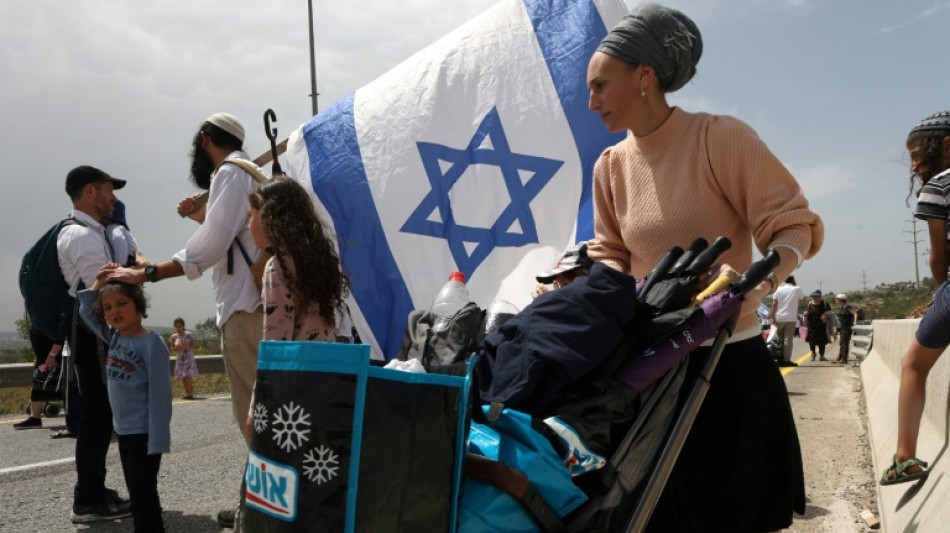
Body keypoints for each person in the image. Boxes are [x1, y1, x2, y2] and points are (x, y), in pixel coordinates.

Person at [585, 4, 823, 531]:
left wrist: (759, 283)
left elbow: (792, 227)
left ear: (644, 76)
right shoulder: (609, 167)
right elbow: (609, 255)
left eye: (600, 86)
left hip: (728, 364)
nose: (591, 101)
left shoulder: (721, 138)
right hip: (649, 371)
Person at [103, 112, 264, 528]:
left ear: (205, 139)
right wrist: (202, 218)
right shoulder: (250, 173)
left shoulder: (229, 173)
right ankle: (255, 506)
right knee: (263, 417)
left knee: (256, 420)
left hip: (245, 310)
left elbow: (208, 248)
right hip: (257, 308)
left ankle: (266, 514)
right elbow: (232, 236)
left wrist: (146, 272)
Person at [49, 166, 132, 523]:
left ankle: (95, 489)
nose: (114, 199)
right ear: (89, 191)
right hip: (92, 332)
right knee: (97, 415)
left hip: (94, 331)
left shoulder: (92, 231)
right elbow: (105, 293)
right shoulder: (81, 235)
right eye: (109, 191)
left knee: (101, 414)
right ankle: (87, 500)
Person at [242, 177, 351, 436]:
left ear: (270, 217)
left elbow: (276, 344)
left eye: (251, 216)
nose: (248, 225)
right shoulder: (319, 262)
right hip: (325, 384)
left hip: (293, 390)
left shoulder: (277, 267)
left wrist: (256, 407)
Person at [881, 111, 950, 485]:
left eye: (918, 155)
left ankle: (904, 458)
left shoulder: (938, 185)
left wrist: (942, 292)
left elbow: (938, 258)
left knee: (913, 365)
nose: (913, 165)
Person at [78, 277, 172, 533]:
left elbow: (161, 396)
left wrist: (158, 440)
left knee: (142, 494)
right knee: (137, 491)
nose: (114, 311)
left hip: (144, 433)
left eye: (122, 303)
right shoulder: (115, 337)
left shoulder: (152, 344)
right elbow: (86, 310)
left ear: (138, 304)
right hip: (124, 431)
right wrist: (99, 282)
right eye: (107, 308)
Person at [771, 276, 805, 366]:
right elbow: (803, 299)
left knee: (780, 339)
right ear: (793, 281)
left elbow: (774, 304)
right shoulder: (796, 289)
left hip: (779, 317)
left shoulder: (778, 289)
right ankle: (786, 360)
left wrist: (772, 316)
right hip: (790, 318)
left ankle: (779, 359)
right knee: (788, 339)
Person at [170, 318, 198, 399]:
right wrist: (176, 348)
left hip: (188, 356)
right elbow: (172, 347)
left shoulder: (188, 334)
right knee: (183, 376)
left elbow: (193, 344)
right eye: (177, 326)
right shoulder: (174, 337)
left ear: (183, 326)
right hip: (180, 357)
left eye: (180, 326)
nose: (178, 328)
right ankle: (187, 393)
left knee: (188, 375)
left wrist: (185, 348)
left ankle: (190, 393)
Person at [803, 290, 831, 361]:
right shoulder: (809, 304)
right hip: (811, 325)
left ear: (820, 297)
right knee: (811, 341)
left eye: (816, 297)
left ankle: (822, 355)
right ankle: (813, 353)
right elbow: (806, 311)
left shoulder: (825, 304)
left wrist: (826, 316)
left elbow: (830, 313)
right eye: (813, 296)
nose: (815, 298)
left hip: (822, 325)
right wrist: (805, 313)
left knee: (822, 341)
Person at [833, 293, 859, 365]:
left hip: (846, 328)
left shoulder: (847, 307)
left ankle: (844, 359)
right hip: (843, 327)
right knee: (842, 343)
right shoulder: (843, 307)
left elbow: (855, 313)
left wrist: (854, 322)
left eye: (837, 299)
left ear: (840, 300)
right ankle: (840, 357)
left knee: (844, 343)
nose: (836, 300)